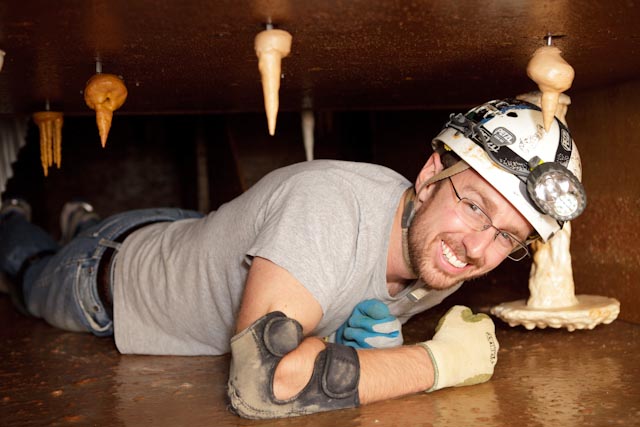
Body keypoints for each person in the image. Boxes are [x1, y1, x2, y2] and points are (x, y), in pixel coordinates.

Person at [0, 98, 585, 419]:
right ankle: (20, 222)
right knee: (26, 272)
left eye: (509, 237)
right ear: (431, 175)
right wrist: (435, 363)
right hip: (110, 279)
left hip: (202, 235)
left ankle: (84, 220)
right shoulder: (326, 204)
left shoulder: (443, 243)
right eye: (478, 207)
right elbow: (264, 384)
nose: (478, 250)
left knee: (200, 232)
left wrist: (353, 346)